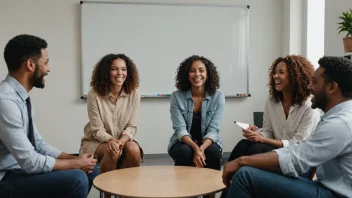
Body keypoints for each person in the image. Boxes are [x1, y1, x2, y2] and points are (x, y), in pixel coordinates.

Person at [222, 56, 352, 198]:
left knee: (245, 175)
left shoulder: (339, 124)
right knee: (247, 150)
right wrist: (257, 136)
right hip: (323, 185)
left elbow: (297, 158)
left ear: (332, 87)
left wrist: (242, 161)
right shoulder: (339, 116)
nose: (309, 86)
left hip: (333, 194)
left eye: (314, 82)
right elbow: (299, 150)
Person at [0, 34, 98, 198]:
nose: (49, 69)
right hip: (5, 178)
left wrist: (75, 158)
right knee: (77, 178)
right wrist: (74, 164)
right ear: (30, 65)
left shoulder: (20, 98)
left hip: (19, 170)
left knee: (89, 170)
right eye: (45, 63)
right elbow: (30, 162)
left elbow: (37, 144)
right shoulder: (6, 101)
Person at [80, 53, 143, 198]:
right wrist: (112, 141)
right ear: (106, 72)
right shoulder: (94, 95)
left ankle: (126, 193)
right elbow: (97, 130)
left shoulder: (134, 94)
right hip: (96, 142)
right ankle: (107, 194)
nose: (120, 73)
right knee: (112, 150)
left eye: (123, 69)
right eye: (114, 69)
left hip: (122, 140)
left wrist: (121, 141)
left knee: (133, 149)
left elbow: (131, 126)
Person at [168, 55, 225, 172]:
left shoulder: (218, 97)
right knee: (185, 152)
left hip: (208, 141)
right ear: (186, 75)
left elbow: (213, 130)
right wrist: (195, 148)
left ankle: (211, 189)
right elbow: (180, 129)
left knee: (213, 152)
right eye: (192, 71)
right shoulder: (176, 97)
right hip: (183, 142)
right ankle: (184, 189)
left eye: (201, 70)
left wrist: (201, 148)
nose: (197, 74)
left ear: (208, 74)